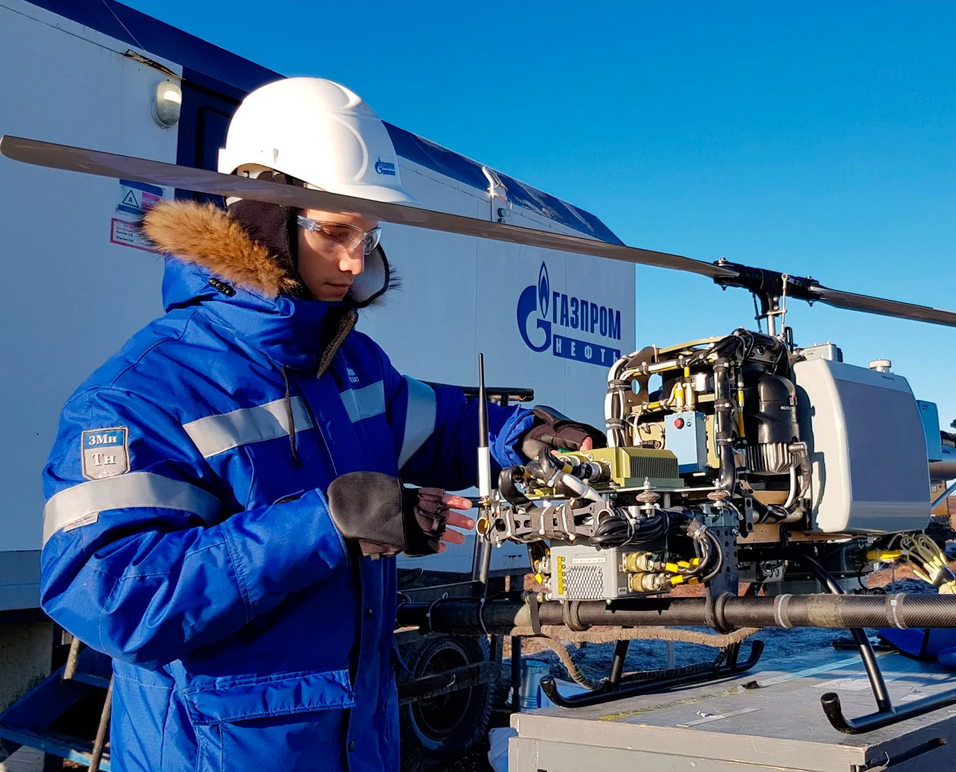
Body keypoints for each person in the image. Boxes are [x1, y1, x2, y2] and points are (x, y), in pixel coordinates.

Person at [39, 77, 601, 772]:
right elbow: (109, 595)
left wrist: (525, 434)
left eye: (367, 235)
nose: (355, 262)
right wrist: (324, 525)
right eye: (335, 231)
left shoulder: (350, 362)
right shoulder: (141, 393)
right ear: (263, 219)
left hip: (355, 743)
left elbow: (441, 422)